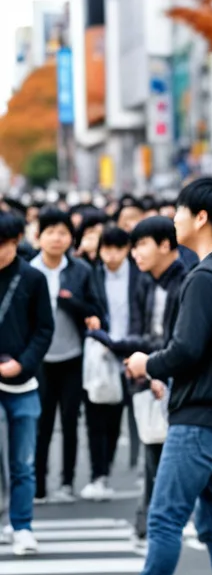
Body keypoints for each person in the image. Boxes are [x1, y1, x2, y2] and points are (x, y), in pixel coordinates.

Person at [96, 178, 212, 575]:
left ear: (202, 218)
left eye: (181, 211)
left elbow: (185, 350)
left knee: (165, 513)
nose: (175, 217)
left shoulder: (205, 276)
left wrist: (145, 362)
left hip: (199, 412)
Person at [111, 216, 189, 548]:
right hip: (149, 375)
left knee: (164, 459)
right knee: (152, 452)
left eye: (141, 245)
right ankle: (149, 523)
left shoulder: (186, 282)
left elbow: (179, 341)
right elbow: (144, 331)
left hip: (172, 381)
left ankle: (154, 525)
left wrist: (157, 369)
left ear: (166, 245)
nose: (135, 254)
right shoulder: (147, 281)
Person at [32, 207, 104, 503]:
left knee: (71, 422)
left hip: (73, 356)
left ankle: (66, 483)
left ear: (71, 239)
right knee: (41, 424)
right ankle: (38, 484)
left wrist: (72, 301)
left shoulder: (81, 271)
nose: (56, 238)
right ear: (38, 237)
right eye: (50, 232)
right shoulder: (28, 270)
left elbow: (96, 309)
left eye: (63, 233)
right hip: (37, 360)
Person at [0, 212, 54, 555]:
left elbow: (44, 329)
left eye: (3, 244)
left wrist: (23, 363)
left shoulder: (32, 278)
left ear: (16, 240)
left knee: (23, 462)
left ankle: (22, 525)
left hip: (24, 383)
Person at [80, 226, 140, 500]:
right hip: (101, 353)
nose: (112, 255)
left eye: (118, 249)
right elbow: (86, 305)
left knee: (117, 417)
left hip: (130, 352)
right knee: (95, 416)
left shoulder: (138, 275)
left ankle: (109, 470)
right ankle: (98, 474)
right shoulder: (93, 274)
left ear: (127, 249)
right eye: (107, 249)